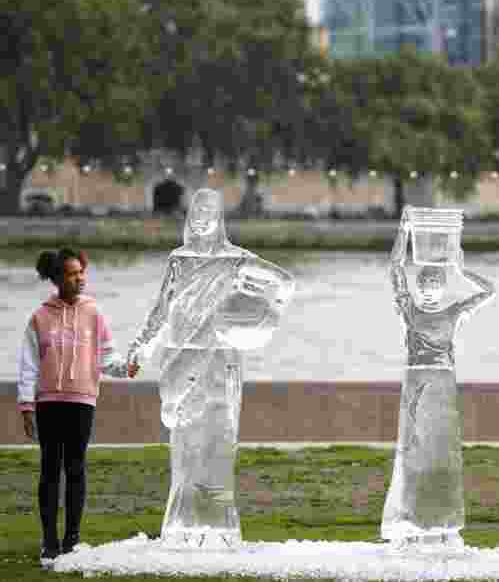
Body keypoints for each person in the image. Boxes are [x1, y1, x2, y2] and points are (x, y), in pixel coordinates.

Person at [126, 188, 295, 549]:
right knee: (184, 446)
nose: (202, 216)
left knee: (218, 443)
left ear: (219, 217)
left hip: (220, 360)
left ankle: (220, 526)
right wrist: (140, 348)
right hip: (180, 353)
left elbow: (284, 282)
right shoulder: (179, 259)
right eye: (196, 210)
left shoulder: (235, 260)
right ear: (190, 215)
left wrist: (266, 315)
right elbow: (161, 310)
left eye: (209, 211)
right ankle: (181, 526)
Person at [381, 207, 496, 548]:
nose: (429, 289)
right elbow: (394, 268)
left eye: (435, 284)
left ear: (444, 288)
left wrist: (460, 269)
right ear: (418, 287)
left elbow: (489, 292)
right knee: (414, 451)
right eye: (425, 284)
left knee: (443, 453)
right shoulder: (409, 310)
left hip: (444, 385)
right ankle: (411, 523)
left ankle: (444, 523)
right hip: (416, 382)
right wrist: (403, 231)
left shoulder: (454, 312)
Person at [16, 248, 139, 566]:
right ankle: (49, 542)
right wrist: (27, 406)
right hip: (48, 404)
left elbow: (107, 358)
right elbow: (29, 365)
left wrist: (125, 367)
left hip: (82, 402)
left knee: (75, 469)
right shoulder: (39, 317)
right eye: (72, 273)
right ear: (57, 278)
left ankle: (72, 541)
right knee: (49, 471)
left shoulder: (94, 314)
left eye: (82, 272)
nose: (80, 278)